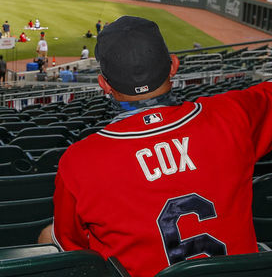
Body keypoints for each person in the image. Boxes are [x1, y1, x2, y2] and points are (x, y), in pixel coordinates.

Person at [38, 15, 272, 277]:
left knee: (48, 235)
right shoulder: (233, 115)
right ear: (173, 65)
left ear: (104, 84)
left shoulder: (79, 161)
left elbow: (74, 250)